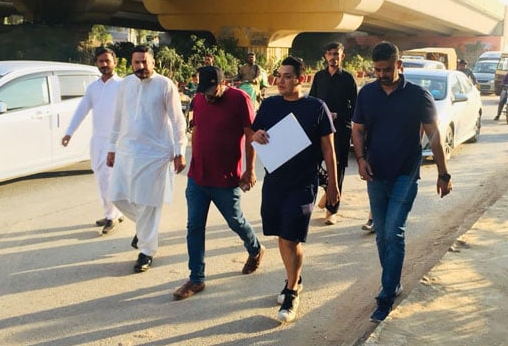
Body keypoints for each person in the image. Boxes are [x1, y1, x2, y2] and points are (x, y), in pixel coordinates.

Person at [352, 41, 452, 323]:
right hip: (375, 174)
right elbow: (358, 130)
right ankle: (392, 281)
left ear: (399, 66)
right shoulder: (367, 94)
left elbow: (434, 136)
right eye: (376, 70)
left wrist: (443, 174)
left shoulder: (419, 96)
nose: (381, 75)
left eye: (386, 69)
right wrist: (360, 159)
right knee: (382, 234)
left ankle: (385, 296)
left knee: (394, 231)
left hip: (406, 174)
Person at [250, 56, 339, 323]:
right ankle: (295, 278)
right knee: (282, 234)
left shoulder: (316, 107)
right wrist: (256, 137)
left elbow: (328, 149)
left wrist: (332, 187)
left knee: (292, 237)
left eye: (287, 76)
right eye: (279, 75)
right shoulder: (270, 105)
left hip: (304, 183)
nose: (281, 81)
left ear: (301, 79)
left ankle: (291, 291)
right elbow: (254, 135)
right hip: (275, 181)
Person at [172, 66, 265, 300]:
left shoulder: (239, 99)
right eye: (203, 91)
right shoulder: (200, 99)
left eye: (212, 89)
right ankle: (196, 278)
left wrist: (250, 169)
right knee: (194, 227)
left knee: (235, 221)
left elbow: (250, 135)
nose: (208, 95)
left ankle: (255, 249)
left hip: (225, 178)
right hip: (197, 177)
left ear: (224, 83)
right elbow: (197, 130)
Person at [106, 45, 188, 273]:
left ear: (153, 62)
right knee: (117, 197)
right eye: (136, 63)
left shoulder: (165, 85)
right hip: (127, 151)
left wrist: (179, 150)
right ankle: (143, 232)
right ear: (131, 63)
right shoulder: (125, 85)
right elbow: (117, 117)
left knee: (149, 204)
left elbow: (177, 120)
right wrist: (111, 148)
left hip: (156, 154)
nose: (140, 67)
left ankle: (146, 251)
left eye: (144, 62)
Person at [61, 47, 123, 234]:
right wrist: (69, 132)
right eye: (100, 61)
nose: (104, 64)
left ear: (115, 62)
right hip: (97, 141)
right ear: (96, 63)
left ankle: (112, 217)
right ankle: (112, 212)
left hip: (116, 142)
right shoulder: (93, 88)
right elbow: (82, 110)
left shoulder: (122, 85)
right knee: (100, 177)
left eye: (107, 61)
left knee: (108, 179)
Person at [309, 41, 357, 225]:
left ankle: (332, 210)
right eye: (330, 54)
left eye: (336, 54)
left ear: (342, 56)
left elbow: (356, 108)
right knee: (312, 163)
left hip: (340, 130)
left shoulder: (348, 79)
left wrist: (337, 114)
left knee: (338, 168)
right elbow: (312, 101)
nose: (333, 57)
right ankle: (327, 190)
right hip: (319, 129)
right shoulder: (319, 77)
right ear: (325, 56)